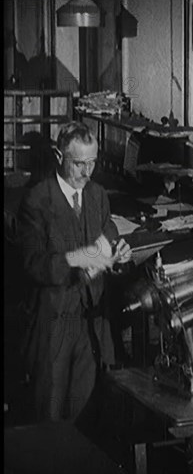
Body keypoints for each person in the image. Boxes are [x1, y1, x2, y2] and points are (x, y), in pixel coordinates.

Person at [17, 121, 131, 422]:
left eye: (92, 163)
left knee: (87, 420)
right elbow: (34, 265)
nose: (87, 172)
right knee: (51, 422)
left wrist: (119, 254)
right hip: (55, 323)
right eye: (79, 163)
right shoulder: (37, 200)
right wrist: (83, 257)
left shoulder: (97, 195)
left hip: (92, 324)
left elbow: (109, 233)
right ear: (59, 157)